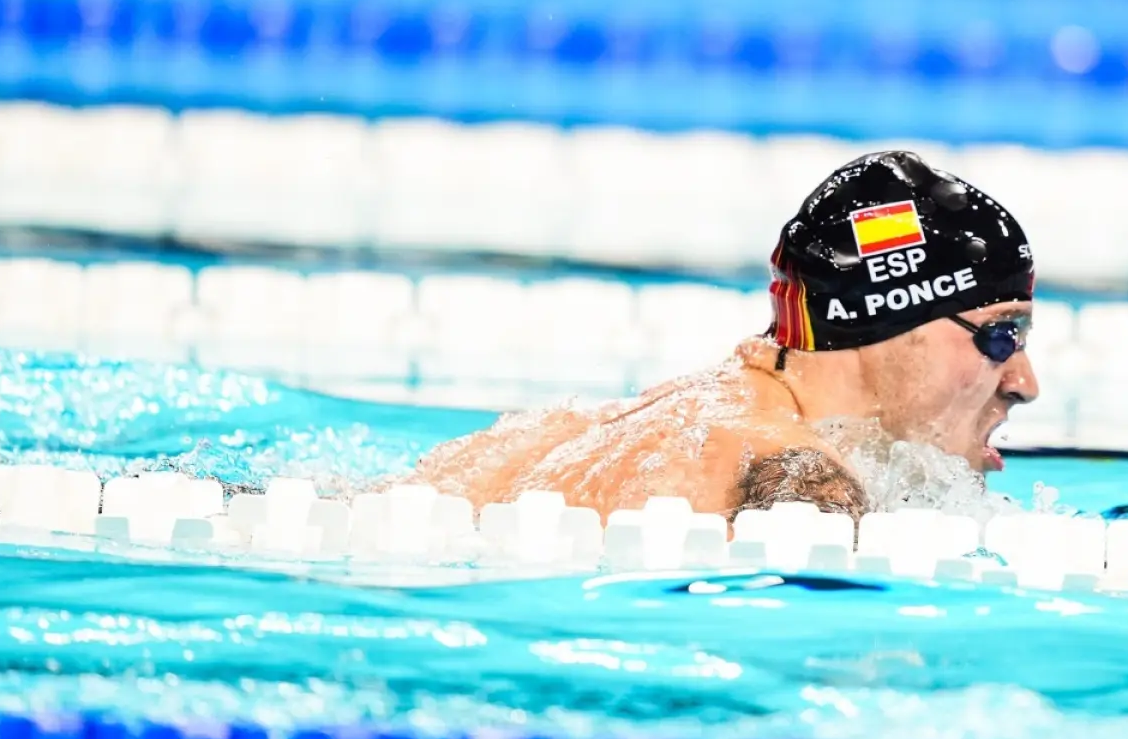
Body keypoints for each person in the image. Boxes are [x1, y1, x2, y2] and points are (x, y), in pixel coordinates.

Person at [410, 150, 1039, 520]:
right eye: (1000, 335)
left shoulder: (586, 432)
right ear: (888, 322)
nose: (1024, 383)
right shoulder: (801, 487)